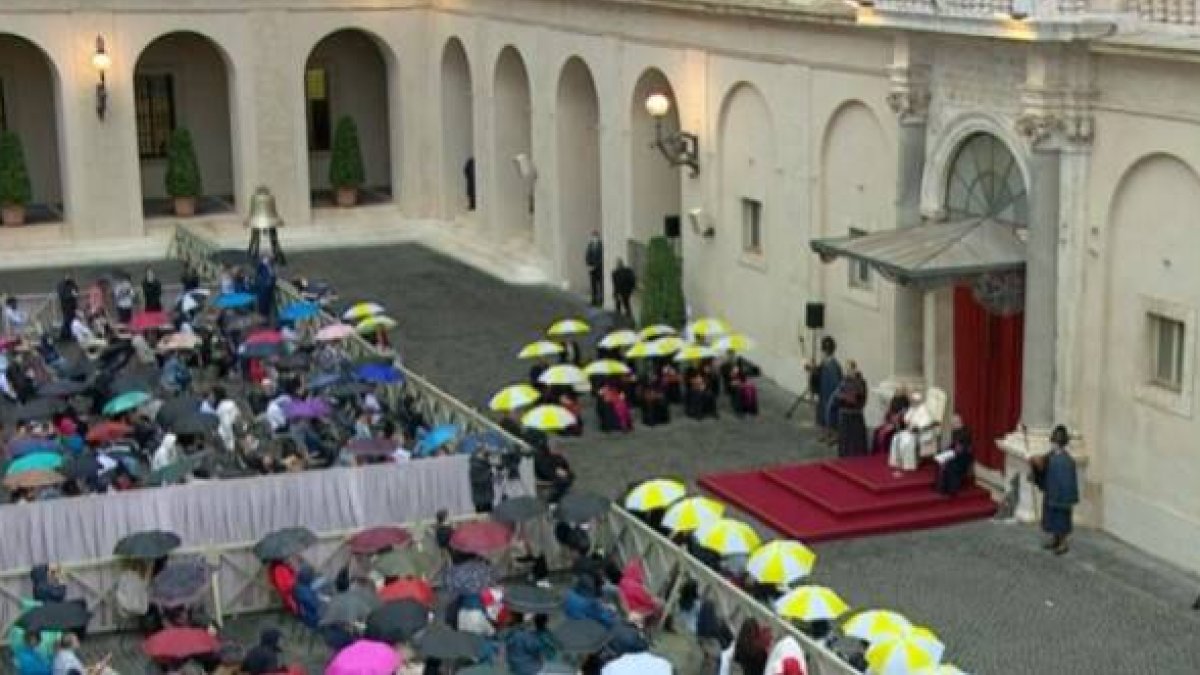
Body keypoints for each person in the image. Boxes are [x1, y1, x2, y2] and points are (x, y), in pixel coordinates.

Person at [1031, 425, 1079, 555]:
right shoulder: (1050, 455)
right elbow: (1042, 466)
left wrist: (1066, 497)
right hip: (1051, 493)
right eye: (1054, 441)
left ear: (1060, 443)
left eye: (1055, 442)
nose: (1053, 444)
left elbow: (1068, 482)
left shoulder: (1067, 461)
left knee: (1061, 520)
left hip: (1062, 497)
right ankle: (1054, 539)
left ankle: (1063, 543)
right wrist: (1035, 463)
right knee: (1052, 518)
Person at [809, 336, 842, 443]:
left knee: (832, 413)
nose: (825, 351)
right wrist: (813, 369)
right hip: (823, 391)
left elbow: (837, 382)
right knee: (822, 412)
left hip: (831, 392)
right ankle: (825, 433)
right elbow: (818, 373)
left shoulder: (834, 364)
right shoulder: (824, 362)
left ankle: (835, 435)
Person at [934, 415, 974, 496]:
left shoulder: (965, 432)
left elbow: (961, 449)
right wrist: (945, 453)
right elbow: (953, 446)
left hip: (963, 458)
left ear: (958, 423)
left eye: (953, 424)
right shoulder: (956, 432)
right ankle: (941, 487)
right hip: (956, 454)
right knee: (940, 460)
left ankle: (951, 489)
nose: (952, 426)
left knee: (948, 464)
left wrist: (947, 455)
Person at [835, 360, 868, 457]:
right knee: (845, 440)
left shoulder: (860, 382)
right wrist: (842, 396)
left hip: (855, 415)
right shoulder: (843, 381)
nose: (846, 371)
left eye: (848, 369)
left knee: (856, 441)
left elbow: (857, 397)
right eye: (846, 369)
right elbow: (837, 394)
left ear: (854, 369)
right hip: (844, 414)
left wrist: (845, 396)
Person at [56, 272, 79, 343]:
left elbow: (76, 289)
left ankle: (67, 335)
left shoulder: (72, 283)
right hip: (66, 306)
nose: (69, 277)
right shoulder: (61, 284)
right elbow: (62, 295)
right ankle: (63, 335)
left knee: (71, 320)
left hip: (72, 305)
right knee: (67, 320)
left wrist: (75, 293)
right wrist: (72, 295)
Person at [585, 230, 603, 307]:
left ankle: (601, 299)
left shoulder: (601, 245)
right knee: (593, 285)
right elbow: (587, 256)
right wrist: (589, 265)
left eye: (595, 236)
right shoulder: (590, 245)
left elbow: (602, 257)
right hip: (592, 269)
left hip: (599, 269)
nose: (594, 238)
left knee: (600, 285)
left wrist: (596, 265)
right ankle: (594, 299)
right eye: (593, 236)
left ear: (598, 237)